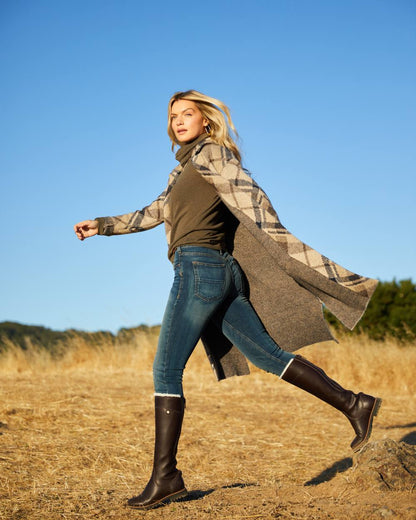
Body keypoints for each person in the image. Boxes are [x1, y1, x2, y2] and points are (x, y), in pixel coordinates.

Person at [74, 90, 381, 510]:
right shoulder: (183, 171)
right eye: (173, 116)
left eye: (188, 114)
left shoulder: (215, 156)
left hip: (201, 269)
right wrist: (103, 225)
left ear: (205, 121)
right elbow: (155, 211)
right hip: (216, 274)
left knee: (166, 370)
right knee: (271, 355)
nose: (179, 121)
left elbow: (254, 200)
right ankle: (354, 403)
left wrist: (288, 249)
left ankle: (166, 476)